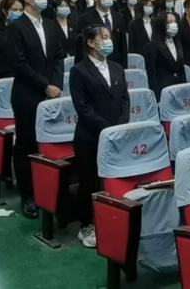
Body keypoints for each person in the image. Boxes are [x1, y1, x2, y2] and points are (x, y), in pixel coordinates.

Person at [6, 0, 66, 219]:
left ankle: (50, 192)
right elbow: (19, 64)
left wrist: (56, 85)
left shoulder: (50, 25)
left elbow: (59, 57)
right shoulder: (16, 27)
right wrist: (44, 85)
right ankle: (28, 196)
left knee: (51, 143)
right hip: (27, 94)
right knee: (26, 144)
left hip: (52, 93)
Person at [70, 25, 130, 249]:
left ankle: (112, 220)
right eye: (103, 37)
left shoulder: (116, 67)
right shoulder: (79, 71)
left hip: (116, 135)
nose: (108, 41)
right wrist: (106, 128)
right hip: (90, 135)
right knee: (88, 181)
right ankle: (86, 224)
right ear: (90, 43)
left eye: (109, 37)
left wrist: (121, 124)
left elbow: (124, 99)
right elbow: (82, 107)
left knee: (114, 179)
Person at [76, 0, 128, 68]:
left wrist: (124, 67)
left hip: (116, 64)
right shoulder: (85, 19)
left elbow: (123, 45)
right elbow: (81, 47)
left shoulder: (119, 17)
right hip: (94, 64)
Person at [144, 11, 186, 101]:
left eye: (175, 21)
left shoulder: (177, 43)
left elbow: (181, 70)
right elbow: (152, 75)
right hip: (163, 92)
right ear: (161, 25)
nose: (173, 24)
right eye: (169, 22)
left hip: (179, 90)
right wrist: (157, 98)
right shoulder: (152, 46)